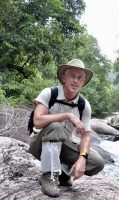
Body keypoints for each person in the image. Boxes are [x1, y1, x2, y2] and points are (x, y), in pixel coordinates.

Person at [29, 59, 105, 197]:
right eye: (72, 76)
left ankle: (64, 174)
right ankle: (49, 176)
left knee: (97, 162)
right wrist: (66, 115)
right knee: (56, 126)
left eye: (79, 78)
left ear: (83, 82)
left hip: (64, 144)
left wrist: (82, 158)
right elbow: (37, 121)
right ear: (64, 77)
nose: (75, 80)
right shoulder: (49, 93)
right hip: (40, 144)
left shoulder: (84, 105)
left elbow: (86, 136)